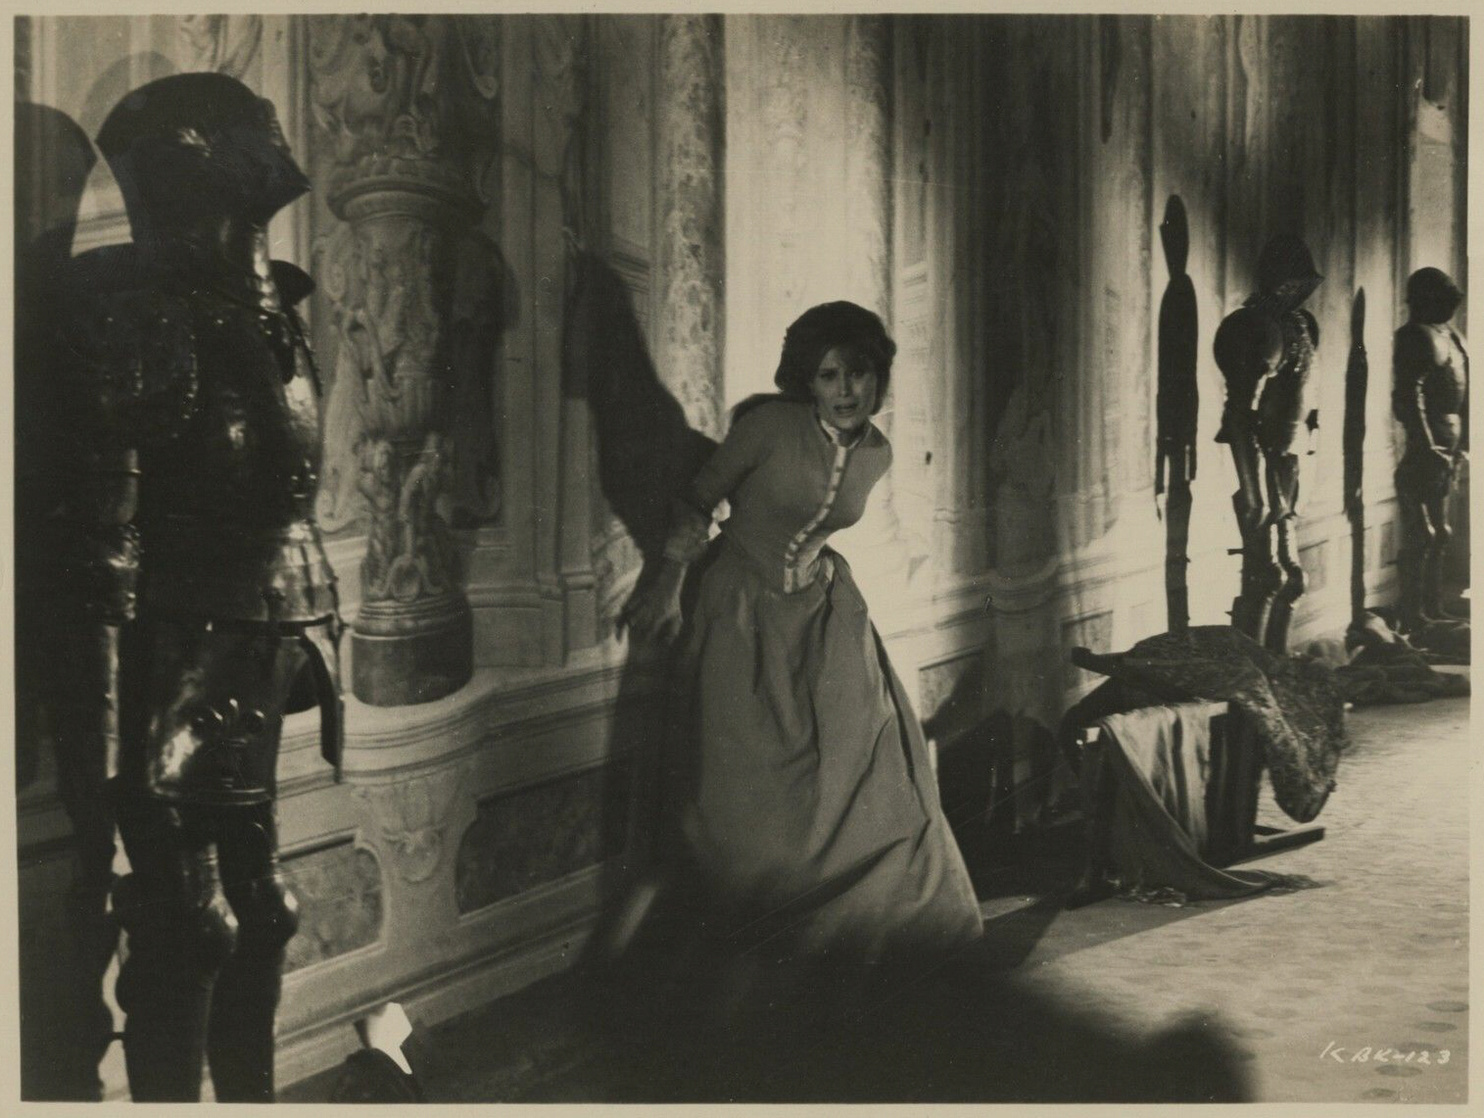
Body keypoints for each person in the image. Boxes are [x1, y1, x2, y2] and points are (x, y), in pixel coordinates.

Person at [33, 73, 344, 1101]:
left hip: (259, 632)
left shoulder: (267, 311)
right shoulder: (143, 316)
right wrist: (103, 754)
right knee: (189, 920)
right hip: (171, 650)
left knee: (264, 907)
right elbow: (106, 542)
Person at [619, 302, 983, 1004]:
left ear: (879, 377)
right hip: (738, 609)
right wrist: (664, 589)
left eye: (860, 373)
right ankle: (765, 949)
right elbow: (697, 502)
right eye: (829, 375)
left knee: (871, 763)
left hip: (823, 612)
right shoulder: (767, 429)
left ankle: (886, 932)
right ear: (807, 381)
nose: (847, 390)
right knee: (743, 791)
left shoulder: (878, 454)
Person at [1213, 234, 1323, 653]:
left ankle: (1276, 667)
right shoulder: (1252, 327)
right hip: (1262, 462)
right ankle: (1252, 672)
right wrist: (1254, 490)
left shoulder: (1299, 325)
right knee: (1267, 576)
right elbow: (1240, 416)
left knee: (1292, 579)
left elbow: (1304, 406)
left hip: (1289, 460)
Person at [1392, 267, 1468, 635]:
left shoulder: (1451, 335)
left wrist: (1464, 444)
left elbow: (1467, 392)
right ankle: (1414, 613)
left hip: (1450, 443)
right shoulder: (1414, 336)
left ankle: (1433, 607)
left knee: (1442, 531)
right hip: (1429, 445)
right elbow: (1409, 396)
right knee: (1422, 533)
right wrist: (1426, 443)